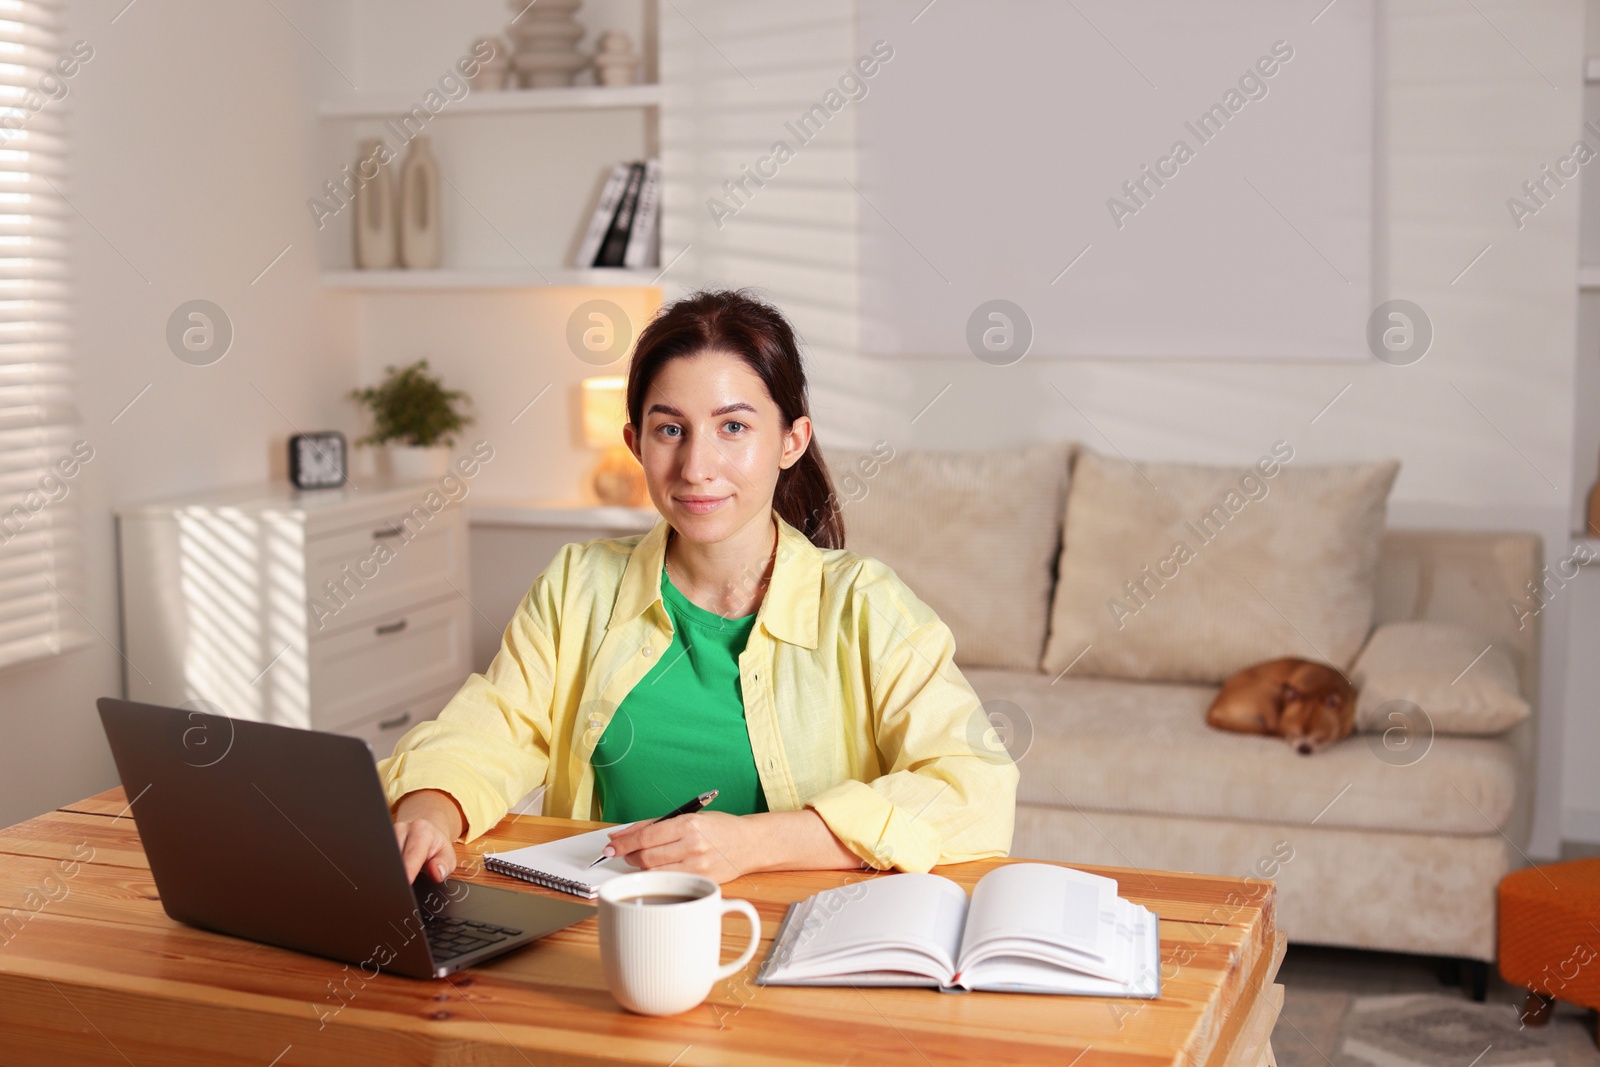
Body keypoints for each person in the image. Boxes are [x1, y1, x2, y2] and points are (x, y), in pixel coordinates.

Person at [378, 288, 1018, 885]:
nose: (696, 467)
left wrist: (757, 843)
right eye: (670, 429)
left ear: (790, 442)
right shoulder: (578, 585)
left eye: (733, 427)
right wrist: (431, 808)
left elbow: (973, 787)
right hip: (612, 934)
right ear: (635, 442)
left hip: (798, 939)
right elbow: (493, 728)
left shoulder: (867, 605)